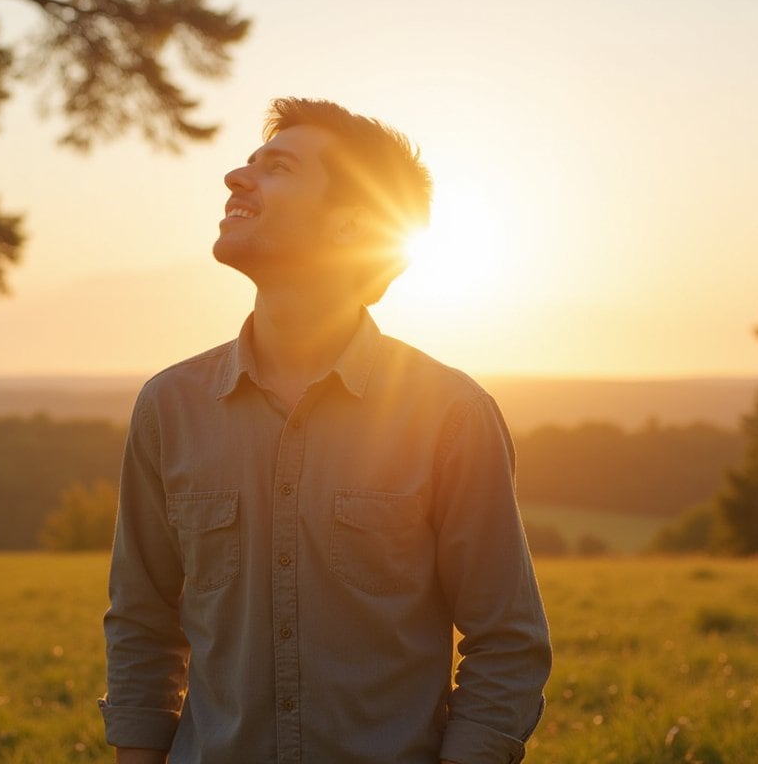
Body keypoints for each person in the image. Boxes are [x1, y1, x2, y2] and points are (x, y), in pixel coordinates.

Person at [100, 97, 551, 764]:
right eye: (249, 163)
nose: (236, 178)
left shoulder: (451, 414)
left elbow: (507, 643)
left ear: (350, 225)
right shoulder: (169, 406)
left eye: (277, 168)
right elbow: (142, 624)